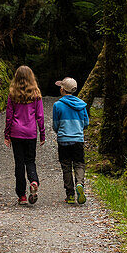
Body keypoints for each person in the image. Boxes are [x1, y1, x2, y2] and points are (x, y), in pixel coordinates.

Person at [4, 65, 46, 205]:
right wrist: (42, 134)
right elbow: (40, 116)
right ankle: (34, 181)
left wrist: (7, 134)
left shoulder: (12, 94)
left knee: (19, 164)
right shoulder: (36, 94)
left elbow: (9, 116)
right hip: (31, 133)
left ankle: (21, 196)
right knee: (30, 161)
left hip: (16, 133)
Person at [52, 77, 89, 205]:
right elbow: (86, 123)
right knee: (79, 164)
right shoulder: (82, 105)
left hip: (63, 140)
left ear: (62, 89)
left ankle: (70, 195)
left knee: (66, 166)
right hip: (78, 139)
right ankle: (80, 183)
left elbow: (55, 125)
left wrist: (60, 131)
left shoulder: (57, 105)